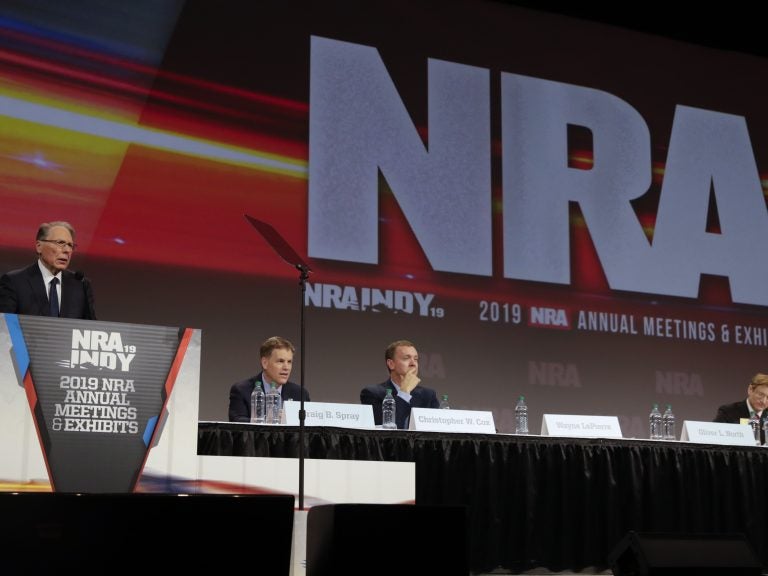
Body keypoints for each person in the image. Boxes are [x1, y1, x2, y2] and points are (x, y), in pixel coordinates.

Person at [0, 221, 96, 319]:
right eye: (60, 243)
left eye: (70, 245)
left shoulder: (80, 285)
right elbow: (4, 324)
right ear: (39, 246)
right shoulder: (15, 282)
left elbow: (90, 326)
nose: (67, 250)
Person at [228, 336, 310, 422]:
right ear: (265, 363)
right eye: (280, 361)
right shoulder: (242, 390)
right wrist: (271, 421)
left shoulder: (300, 394)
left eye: (289, 362)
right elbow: (237, 422)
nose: (286, 368)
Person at [360, 339, 439, 429]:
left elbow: (439, 430)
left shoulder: (428, 395)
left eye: (416, 359)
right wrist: (404, 392)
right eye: (406, 358)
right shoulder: (372, 393)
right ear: (391, 364)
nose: (413, 363)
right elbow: (386, 428)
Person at [714, 372, 768, 443]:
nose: (763, 401)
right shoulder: (727, 412)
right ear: (750, 389)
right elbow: (714, 441)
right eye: (761, 394)